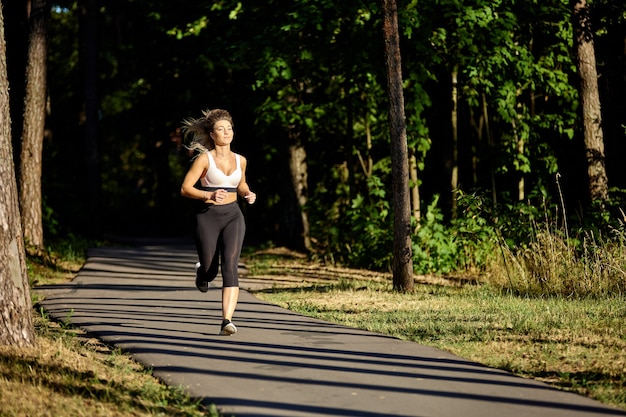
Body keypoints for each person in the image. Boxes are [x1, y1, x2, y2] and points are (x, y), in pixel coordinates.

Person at [180, 109, 256, 335]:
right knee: (210, 269)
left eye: (229, 128)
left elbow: (241, 184)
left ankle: (227, 320)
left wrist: (248, 193)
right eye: (221, 129)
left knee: (231, 265)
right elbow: (185, 188)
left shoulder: (241, 160)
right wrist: (208, 196)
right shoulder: (205, 159)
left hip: (234, 215)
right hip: (208, 216)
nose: (227, 132)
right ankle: (202, 273)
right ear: (212, 134)